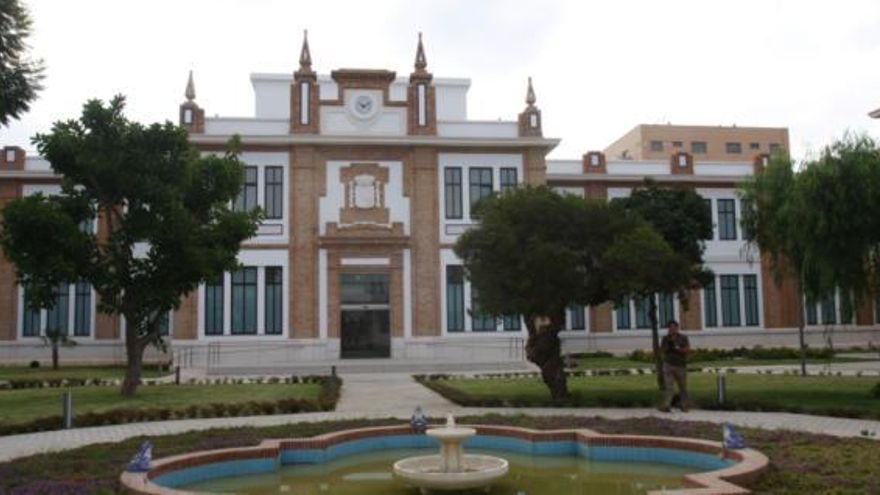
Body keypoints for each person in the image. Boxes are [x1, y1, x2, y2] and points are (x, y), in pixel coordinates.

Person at [658, 319, 690, 412]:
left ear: (677, 327)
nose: (672, 329)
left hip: (680, 365)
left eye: (674, 327)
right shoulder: (665, 338)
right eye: (670, 328)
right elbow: (662, 350)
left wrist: (677, 348)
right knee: (669, 387)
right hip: (668, 365)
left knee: (682, 387)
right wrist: (668, 345)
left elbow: (687, 350)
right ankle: (667, 405)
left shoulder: (683, 338)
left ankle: (684, 406)